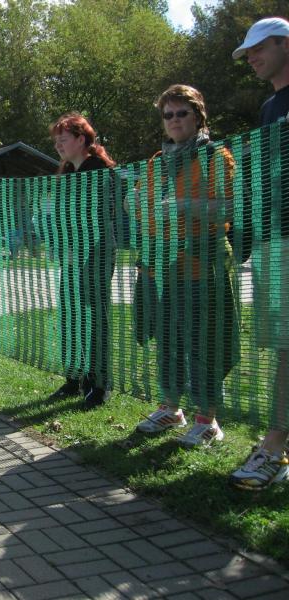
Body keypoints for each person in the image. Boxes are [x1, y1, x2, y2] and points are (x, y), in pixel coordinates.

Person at [134, 84, 238, 448]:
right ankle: (170, 408)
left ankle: (207, 421)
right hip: (161, 269)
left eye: (182, 113)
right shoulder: (155, 161)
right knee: (167, 341)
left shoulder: (215, 157)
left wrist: (184, 206)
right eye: (168, 114)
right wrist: (134, 203)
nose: (175, 120)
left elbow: (228, 208)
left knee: (202, 344)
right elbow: (142, 206)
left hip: (200, 267)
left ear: (198, 117)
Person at [229, 17, 289, 490]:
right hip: (277, 240)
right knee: (285, 346)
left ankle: (273, 446)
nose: (251, 57)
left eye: (258, 47)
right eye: (247, 51)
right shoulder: (270, 107)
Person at [46, 112, 117, 409]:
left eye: (63, 140)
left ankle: (99, 384)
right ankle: (74, 378)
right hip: (70, 255)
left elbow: (104, 216)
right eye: (56, 141)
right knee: (71, 314)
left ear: (81, 139)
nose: (58, 146)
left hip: (95, 254)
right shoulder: (66, 172)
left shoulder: (100, 170)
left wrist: (81, 246)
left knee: (95, 318)